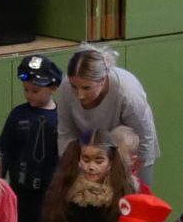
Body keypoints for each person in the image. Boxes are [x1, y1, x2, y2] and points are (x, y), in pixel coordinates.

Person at [0, 56, 63, 222]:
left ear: (53, 88)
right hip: (21, 193)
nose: (30, 95)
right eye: (26, 90)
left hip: (50, 195)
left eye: (36, 91)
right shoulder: (18, 115)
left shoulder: (61, 118)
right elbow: (3, 150)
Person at [54, 44, 161, 184]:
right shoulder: (66, 87)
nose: (79, 95)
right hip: (90, 148)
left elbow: (145, 136)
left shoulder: (127, 93)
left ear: (103, 80)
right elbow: (66, 133)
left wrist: (134, 172)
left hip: (127, 151)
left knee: (133, 199)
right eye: (75, 87)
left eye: (86, 88)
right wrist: (68, 169)